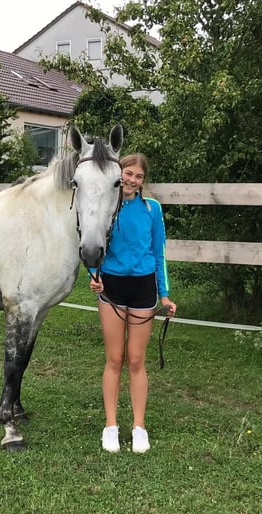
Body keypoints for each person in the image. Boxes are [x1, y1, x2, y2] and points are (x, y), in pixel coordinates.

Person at [88, 152, 176, 454]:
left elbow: (159, 252)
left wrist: (164, 294)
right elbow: (92, 243)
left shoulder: (152, 209)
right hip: (111, 285)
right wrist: (93, 274)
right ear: (119, 173)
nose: (132, 180)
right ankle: (110, 425)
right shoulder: (106, 206)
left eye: (138, 176)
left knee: (136, 361)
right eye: (128, 173)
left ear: (143, 181)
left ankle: (139, 426)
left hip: (142, 288)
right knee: (114, 359)